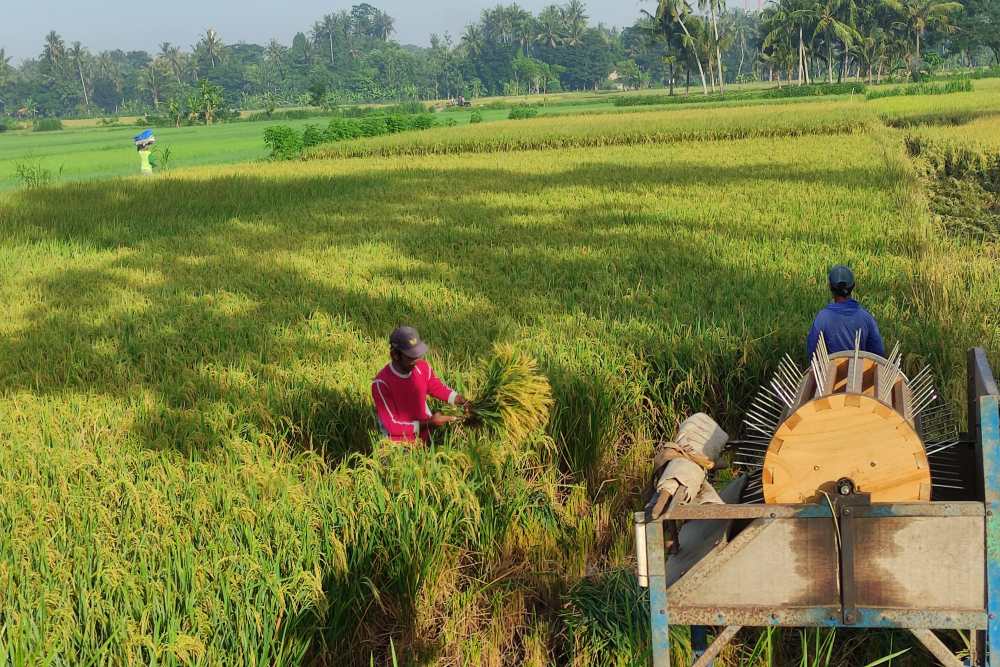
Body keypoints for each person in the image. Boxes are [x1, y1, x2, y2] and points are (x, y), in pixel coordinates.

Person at [371, 326, 470, 442]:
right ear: (395, 355)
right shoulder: (381, 384)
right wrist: (430, 423)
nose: (417, 360)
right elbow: (392, 426)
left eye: (418, 355)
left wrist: (460, 400)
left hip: (426, 434)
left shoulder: (422, 367)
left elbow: (436, 387)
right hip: (400, 444)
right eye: (411, 356)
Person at [807, 265, 885, 359]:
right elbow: (878, 354)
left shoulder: (822, 318)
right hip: (860, 371)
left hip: (830, 371)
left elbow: (812, 353)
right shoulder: (866, 318)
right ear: (853, 286)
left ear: (830, 287)